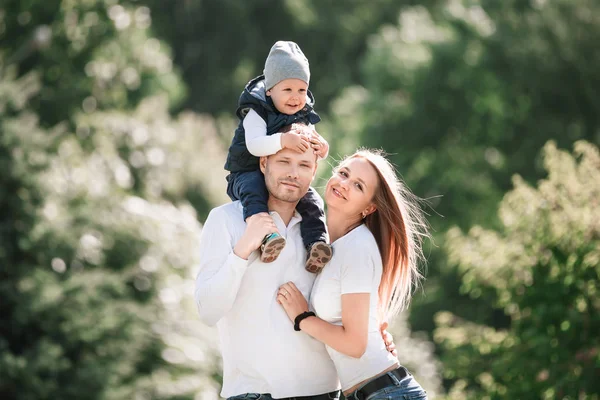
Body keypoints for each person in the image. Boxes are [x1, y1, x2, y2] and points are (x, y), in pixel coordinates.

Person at [195, 127, 396, 400]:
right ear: (264, 162)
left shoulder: (321, 235)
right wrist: (243, 249)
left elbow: (348, 296)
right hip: (253, 392)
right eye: (283, 162)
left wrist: (378, 330)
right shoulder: (225, 220)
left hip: (324, 392)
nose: (293, 173)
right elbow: (207, 311)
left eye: (304, 165)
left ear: (314, 173)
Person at [277, 150, 429, 400]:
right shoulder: (328, 243)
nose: (343, 184)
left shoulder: (357, 247)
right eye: (343, 173)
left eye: (358, 185)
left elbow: (355, 345)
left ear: (369, 207)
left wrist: (302, 316)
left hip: (386, 393)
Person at [224, 40, 332, 273]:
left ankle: (316, 244)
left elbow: (310, 143)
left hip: (281, 174)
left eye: (301, 90)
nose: (295, 97)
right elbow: (254, 146)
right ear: (270, 90)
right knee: (254, 192)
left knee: (312, 201)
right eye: (288, 90)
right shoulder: (257, 110)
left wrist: (322, 147)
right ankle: (266, 236)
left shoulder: (302, 113)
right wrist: (283, 141)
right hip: (246, 172)